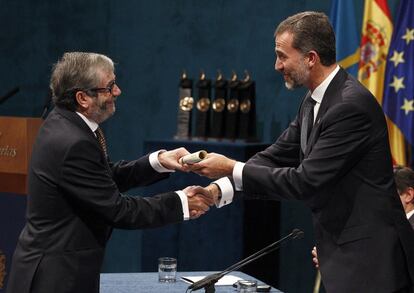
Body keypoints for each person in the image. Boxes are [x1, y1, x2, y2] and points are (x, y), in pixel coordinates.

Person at [187, 12, 414, 293]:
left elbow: (304, 181)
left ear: (311, 58)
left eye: (282, 56)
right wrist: (218, 190)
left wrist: (230, 166)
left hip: (371, 263)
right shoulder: (314, 98)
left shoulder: (349, 106)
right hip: (345, 257)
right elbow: (276, 155)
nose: (277, 65)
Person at [6, 52, 212, 293]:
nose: (118, 91)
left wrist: (159, 162)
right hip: (56, 278)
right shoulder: (72, 141)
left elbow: (101, 178)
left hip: (59, 270)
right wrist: (181, 203)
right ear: (83, 97)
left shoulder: (65, 123)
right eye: (110, 86)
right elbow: (118, 210)